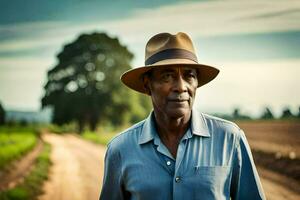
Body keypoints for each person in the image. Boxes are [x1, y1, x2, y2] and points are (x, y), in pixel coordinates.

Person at [99, 32, 265, 200]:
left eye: (189, 76)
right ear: (147, 85)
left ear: (197, 83)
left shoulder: (229, 139)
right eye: (167, 76)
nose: (181, 87)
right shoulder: (121, 149)